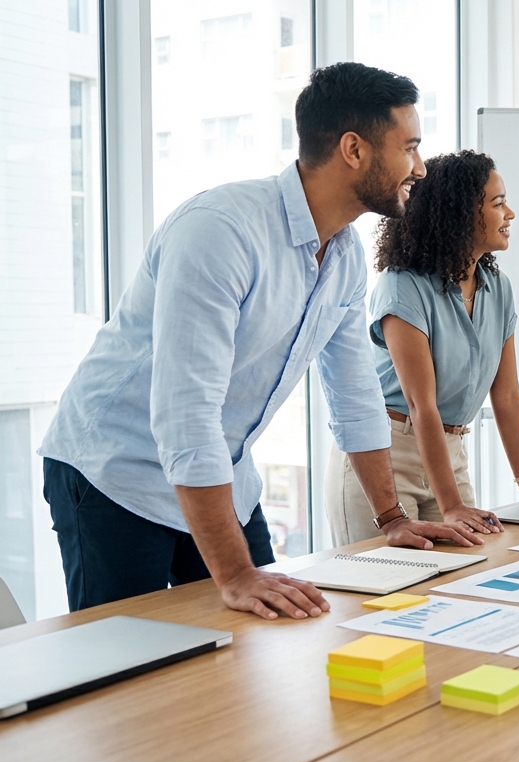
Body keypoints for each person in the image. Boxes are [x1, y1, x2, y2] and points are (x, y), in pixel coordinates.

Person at [38, 62, 482, 621]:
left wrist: (391, 518)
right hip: (115, 473)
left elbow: (354, 395)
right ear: (354, 150)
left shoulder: (342, 256)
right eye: (410, 147)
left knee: (268, 632)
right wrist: (237, 573)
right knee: (127, 669)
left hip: (222, 472)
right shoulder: (220, 231)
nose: (419, 166)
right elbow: (185, 412)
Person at [327, 151, 519, 544]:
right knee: (389, 591)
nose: (510, 214)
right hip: (386, 456)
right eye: (498, 203)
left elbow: (508, 396)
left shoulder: (497, 288)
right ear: (460, 213)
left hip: (450, 452)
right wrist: (451, 506)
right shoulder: (403, 286)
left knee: (463, 579)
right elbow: (421, 405)